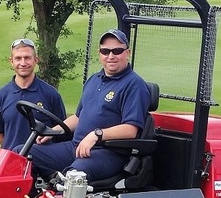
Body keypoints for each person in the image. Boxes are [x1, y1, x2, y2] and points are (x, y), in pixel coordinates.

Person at [28, 29, 150, 182]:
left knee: (74, 176)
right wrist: (51, 131)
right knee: (21, 153)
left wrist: (96, 135)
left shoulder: (134, 85)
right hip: (76, 147)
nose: (111, 56)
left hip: (107, 153)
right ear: (100, 54)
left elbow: (131, 129)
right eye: (105, 51)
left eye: (117, 51)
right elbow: (79, 117)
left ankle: (61, 192)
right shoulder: (94, 80)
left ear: (127, 52)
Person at [0, 38, 65, 152]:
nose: (23, 63)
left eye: (27, 58)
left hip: (42, 164)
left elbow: (61, 132)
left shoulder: (51, 94)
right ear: (11, 61)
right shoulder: (1, 96)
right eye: (18, 58)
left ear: (36, 60)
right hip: (11, 162)